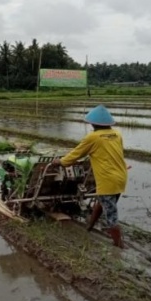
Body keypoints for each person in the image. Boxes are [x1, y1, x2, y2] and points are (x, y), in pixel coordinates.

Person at [50, 104, 127, 248]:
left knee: (111, 214)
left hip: (107, 179)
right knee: (103, 201)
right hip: (121, 176)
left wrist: (60, 162)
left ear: (93, 123)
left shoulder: (93, 137)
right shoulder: (117, 134)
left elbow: (76, 154)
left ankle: (119, 246)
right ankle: (90, 227)